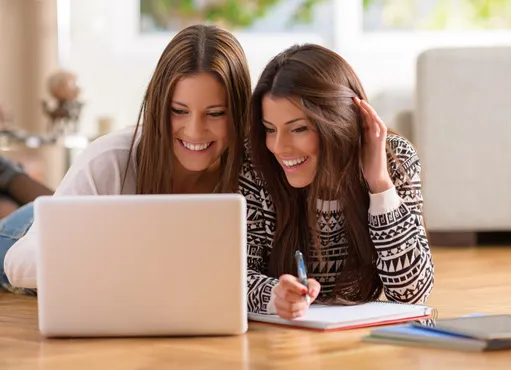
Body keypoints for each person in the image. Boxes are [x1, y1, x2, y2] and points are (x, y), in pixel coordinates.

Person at [1, 24, 252, 294]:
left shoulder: (255, 170)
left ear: (238, 112)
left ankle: (12, 178)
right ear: (157, 106)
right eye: (178, 111)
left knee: (53, 202)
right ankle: (11, 177)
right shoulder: (111, 157)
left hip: (75, 214)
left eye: (215, 113)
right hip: (19, 233)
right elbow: (18, 263)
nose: (194, 130)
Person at [240, 44, 434, 319]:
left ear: (337, 121)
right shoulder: (255, 163)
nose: (279, 147)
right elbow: (232, 274)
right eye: (270, 129)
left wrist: (379, 184)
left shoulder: (394, 159)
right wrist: (274, 295)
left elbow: (412, 294)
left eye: (298, 129)